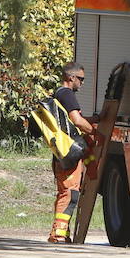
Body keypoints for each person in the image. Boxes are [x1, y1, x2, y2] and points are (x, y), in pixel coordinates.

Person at [48, 61, 96, 243]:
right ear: (71, 77)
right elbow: (77, 120)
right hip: (69, 154)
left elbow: (71, 119)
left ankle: (61, 233)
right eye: (81, 79)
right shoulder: (67, 94)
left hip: (62, 153)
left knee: (66, 192)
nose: (82, 83)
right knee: (69, 193)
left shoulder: (59, 94)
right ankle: (58, 234)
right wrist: (94, 131)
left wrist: (95, 119)